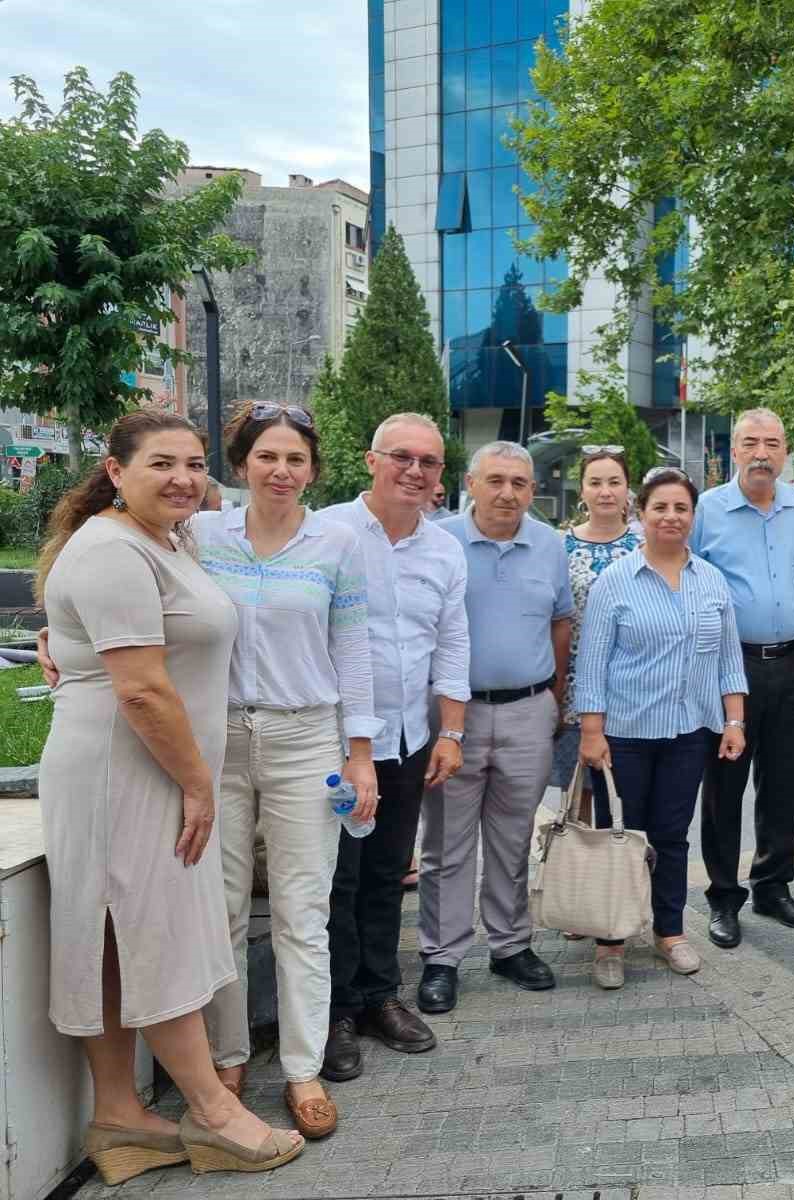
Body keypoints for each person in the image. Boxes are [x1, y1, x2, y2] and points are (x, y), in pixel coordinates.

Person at [34, 410, 303, 1182]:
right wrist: (198, 785)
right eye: (161, 463)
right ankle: (214, 1117)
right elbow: (144, 691)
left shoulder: (163, 538)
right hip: (125, 768)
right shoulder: (114, 552)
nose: (184, 477)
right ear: (115, 472)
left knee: (119, 938)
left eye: (193, 463)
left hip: (142, 765)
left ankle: (119, 1116)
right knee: (152, 934)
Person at [195, 403, 381, 1141]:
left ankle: (302, 1069)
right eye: (267, 457)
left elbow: (355, 651)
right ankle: (229, 1058)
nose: (281, 470)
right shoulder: (199, 536)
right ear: (241, 465)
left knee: (304, 913)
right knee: (222, 910)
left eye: (295, 460)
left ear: (312, 470)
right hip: (218, 740)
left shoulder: (335, 545)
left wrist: (358, 751)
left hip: (309, 737)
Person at [319, 414, 470, 1081]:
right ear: (370, 460)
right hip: (331, 745)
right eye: (401, 457)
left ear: (441, 476)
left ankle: (381, 995)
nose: (415, 470)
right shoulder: (325, 532)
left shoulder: (444, 550)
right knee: (336, 881)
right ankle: (335, 1012)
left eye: (429, 462)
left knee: (386, 876)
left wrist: (453, 731)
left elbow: (453, 642)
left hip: (409, 740)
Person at [574, 468, 747, 989]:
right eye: (661, 508)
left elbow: (728, 658)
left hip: (688, 732)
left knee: (672, 837)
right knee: (619, 838)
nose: (671, 517)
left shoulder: (711, 580)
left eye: (681, 509)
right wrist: (591, 731)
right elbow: (593, 664)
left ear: (693, 517)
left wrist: (734, 720)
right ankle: (610, 940)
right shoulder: (616, 581)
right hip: (623, 733)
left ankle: (669, 931)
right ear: (641, 514)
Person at [415, 442, 572, 1015]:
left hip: (529, 710)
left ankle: (510, 946)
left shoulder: (550, 545)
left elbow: (560, 625)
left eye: (520, 483)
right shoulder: (439, 541)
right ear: (471, 483)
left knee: (513, 838)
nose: (508, 493)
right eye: (497, 480)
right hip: (455, 715)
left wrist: (553, 701)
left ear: (533, 490)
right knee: (447, 841)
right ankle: (442, 955)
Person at [691, 408, 794, 948]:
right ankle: (724, 896)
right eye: (751, 443)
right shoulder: (708, 509)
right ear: (734, 450)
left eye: (772, 443)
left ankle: (773, 884)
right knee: (724, 785)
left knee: (784, 780)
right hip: (730, 667)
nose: (762, 453)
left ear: (786, 451)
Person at [552, 449, 641, 810]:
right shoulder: (560, 546)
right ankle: (580, 868)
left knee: (629, 793)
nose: (605, 491)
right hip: (575, 691)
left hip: (633, 687)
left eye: (614, 482)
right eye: (596, 483)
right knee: (579, 796)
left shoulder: (646, 546)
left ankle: (628, 868)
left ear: (627, 490)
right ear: (582, 491)